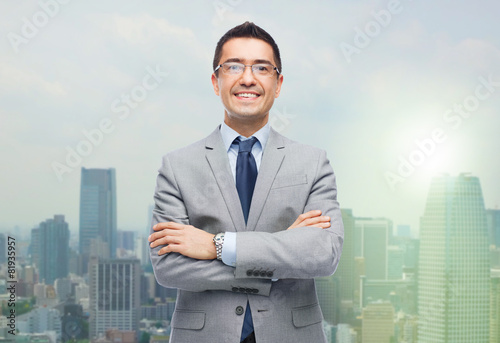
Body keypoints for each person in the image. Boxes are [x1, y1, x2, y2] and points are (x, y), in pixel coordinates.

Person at [148, 21, 344, 343]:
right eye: (234, 66)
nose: (248, 78)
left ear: (278, 83)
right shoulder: (177, 166)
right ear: (216, 81)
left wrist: (216, 246)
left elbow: (323, 254)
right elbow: (169, 267)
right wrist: (280, 257)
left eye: (262, 68)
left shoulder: (313, 162)